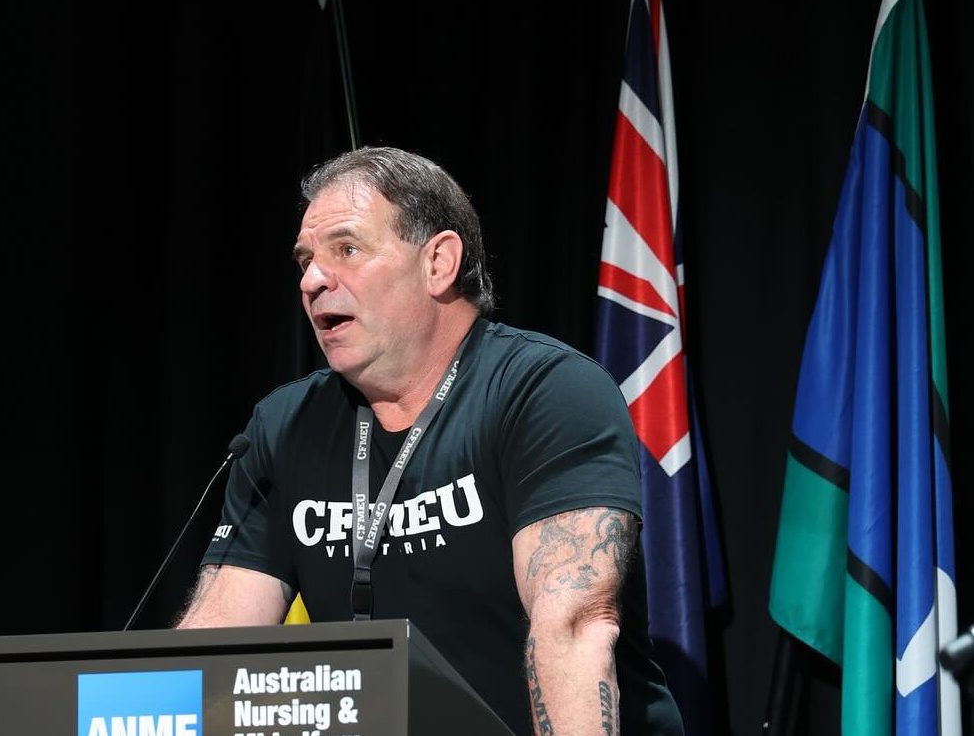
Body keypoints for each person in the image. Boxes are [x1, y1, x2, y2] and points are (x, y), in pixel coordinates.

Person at [176, 146, 683, 736]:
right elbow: (216, 645)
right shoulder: (284, 424)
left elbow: (574, 626)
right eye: (305, 260)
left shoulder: (546, 392)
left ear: (438, 263)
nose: (313, 280)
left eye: (346, 249)